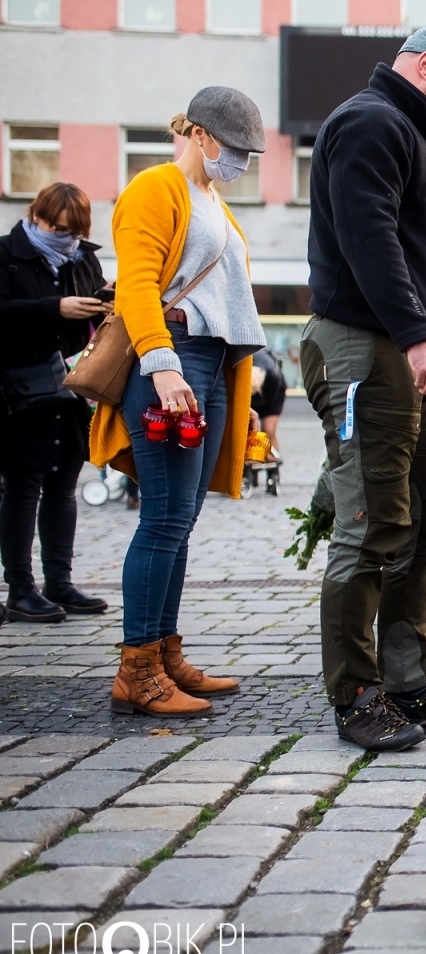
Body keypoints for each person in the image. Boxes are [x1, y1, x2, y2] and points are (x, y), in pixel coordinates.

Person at [302, 25, 426, 750]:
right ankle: (357, 694)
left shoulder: (403, 135)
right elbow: (369, 235)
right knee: (373, 523)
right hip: (366, 348)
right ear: (425, 65)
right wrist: (420, 337)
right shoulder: (370, 121)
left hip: (407, 350)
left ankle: (411, 677)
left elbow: (417, 256)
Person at [89, 88, 269, 716]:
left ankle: (164, 654)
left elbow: (227, 305)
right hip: (172, 354)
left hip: (210, 364)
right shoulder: (155, 186)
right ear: (201, 135)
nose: (241, 162)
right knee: (163, 518)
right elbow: (136, 282)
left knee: (180, 520)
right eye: (236, 148)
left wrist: (237, 397)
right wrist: (161, 364)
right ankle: (135, 668)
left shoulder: (212, 201)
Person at [0, 182, 109, 622]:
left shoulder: (83, 257)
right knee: (23, 486)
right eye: (57, 227)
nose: (66, 237)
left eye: (74, 231)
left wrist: (105, 305)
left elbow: (95, 312)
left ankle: (59, 582)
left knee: (64, 487)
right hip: (20, 391)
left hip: (71, 389)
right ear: (36, 215)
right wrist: (54, 307)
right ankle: (20, 589)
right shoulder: (6, 254)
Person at [249, 349, 286, 458]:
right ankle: (251, 462)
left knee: (269, 430)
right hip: (250, 389)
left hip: (274, 393)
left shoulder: (273, 376)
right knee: (251, 430)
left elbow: (272, 403)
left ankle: (273, 464)